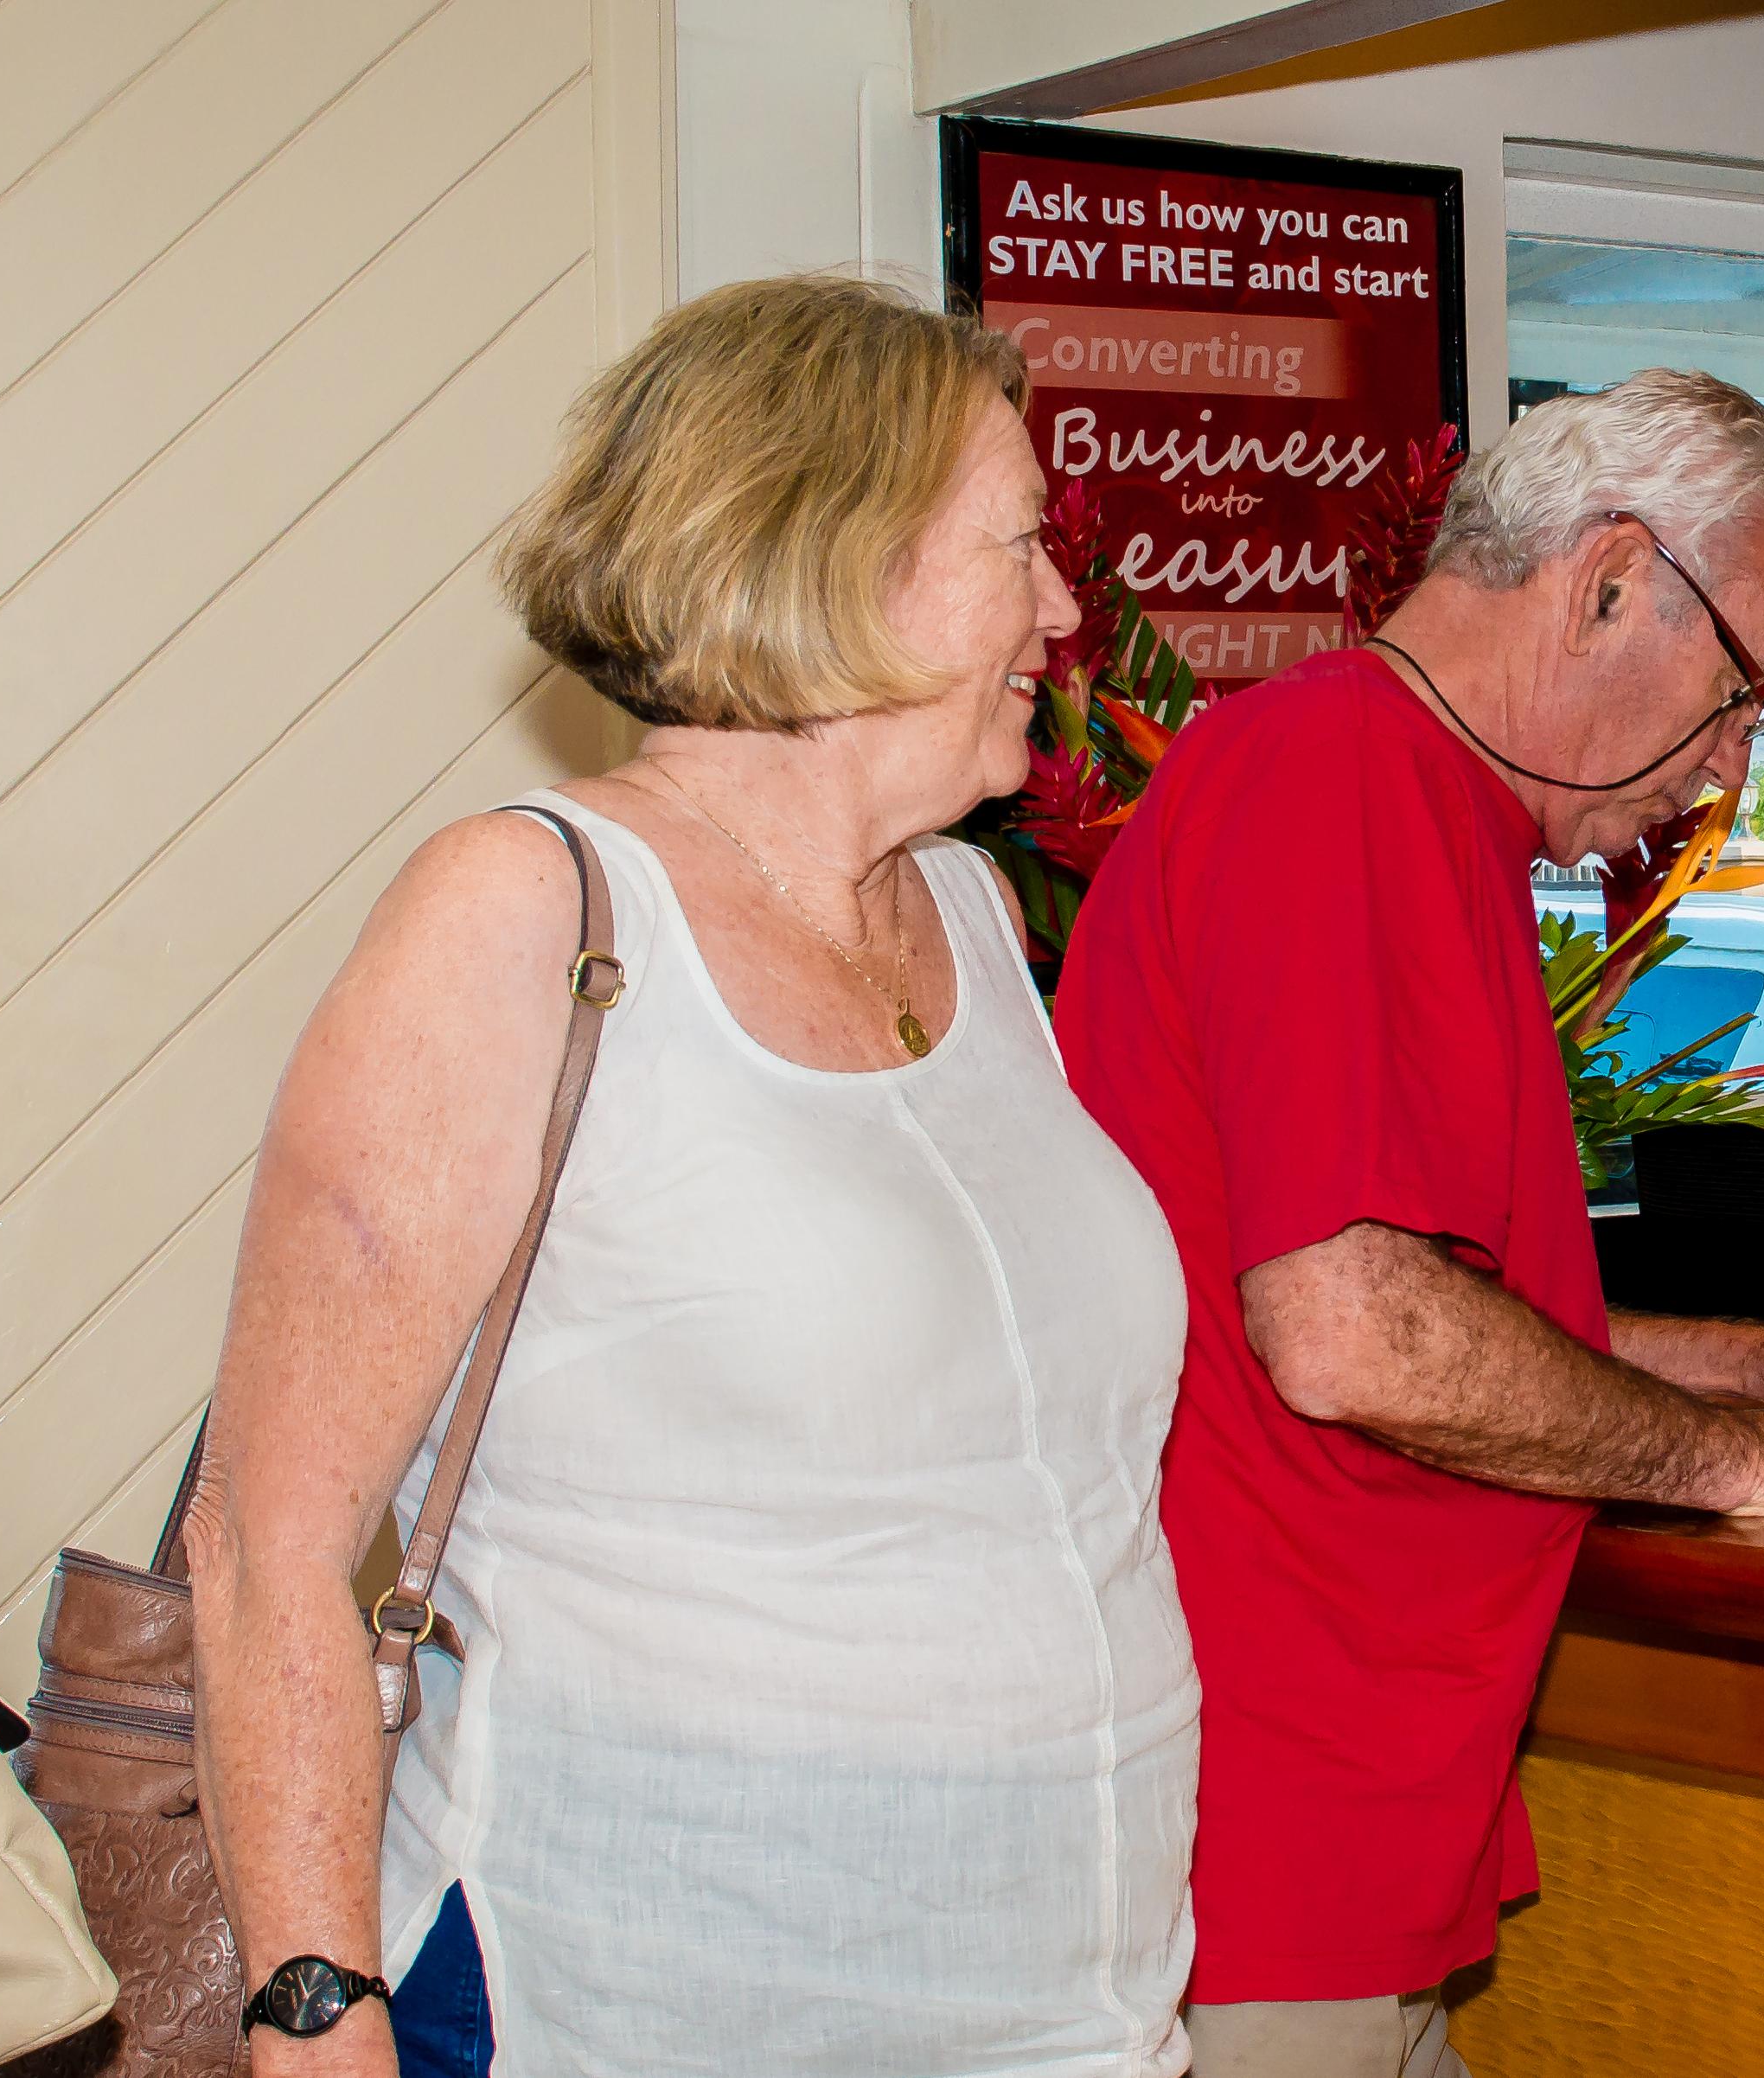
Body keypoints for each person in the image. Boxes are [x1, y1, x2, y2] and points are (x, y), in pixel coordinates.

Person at [181, 275, 1197, 2078]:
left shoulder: (963, 907)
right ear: (839, 551)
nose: (1066, 606)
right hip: (634, 1996)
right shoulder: (528, 911)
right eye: (1024, 544)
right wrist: (312, 2026)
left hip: (1071, 2005)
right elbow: (269, 1551)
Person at [1054, 368, 1764, 2078]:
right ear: (1602, 581)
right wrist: (1744, 1464)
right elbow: (1358, 1331)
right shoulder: (1342, 779)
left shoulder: (1403, 799)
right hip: (1272, 1832)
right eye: (1748, 694)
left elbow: (1446, 1299)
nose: (1731, 763)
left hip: (1339, 1823)